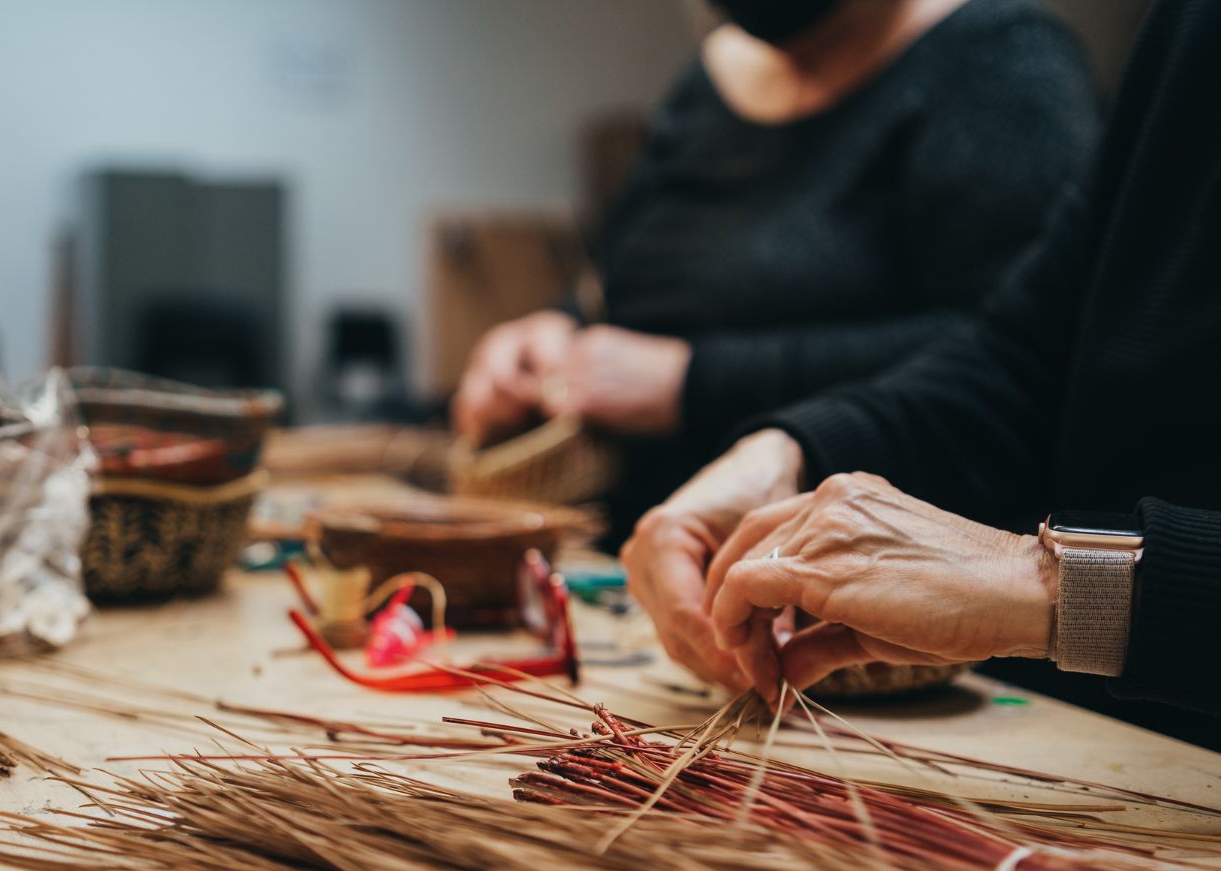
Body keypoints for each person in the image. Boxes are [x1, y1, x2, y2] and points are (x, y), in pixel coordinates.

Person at [621, 0, 1221, 802]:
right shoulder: (1213, 24)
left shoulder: (998, 59)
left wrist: (1053, 587)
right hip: (1100, 773)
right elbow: (1027, 355)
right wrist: (787, 455)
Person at [453, 0, 1099, 537]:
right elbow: (639, 281)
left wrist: (692, 384)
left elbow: (1019, 359)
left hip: (858, 607)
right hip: (639, 564)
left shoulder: (1000, 66)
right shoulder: (712, 80)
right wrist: (552, 335)